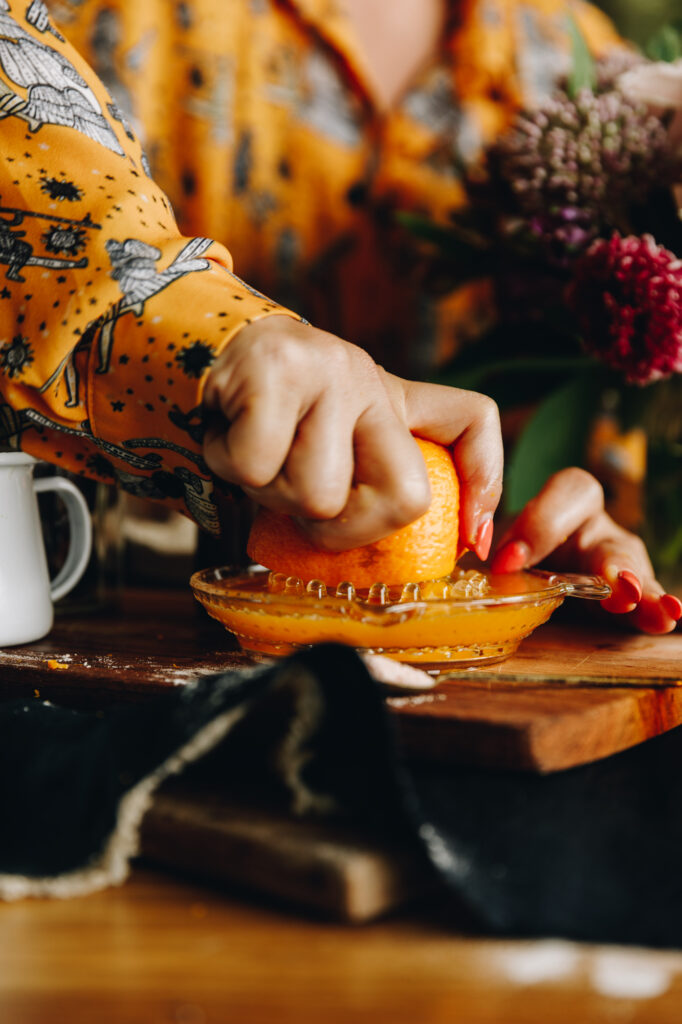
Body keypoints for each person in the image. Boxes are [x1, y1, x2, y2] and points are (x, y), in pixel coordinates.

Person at [0, 0, 678, 634]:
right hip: (127, 649)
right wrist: (218, 344)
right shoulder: (95, 19)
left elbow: (603, 450)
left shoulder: (585, 66)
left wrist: (562, 563)